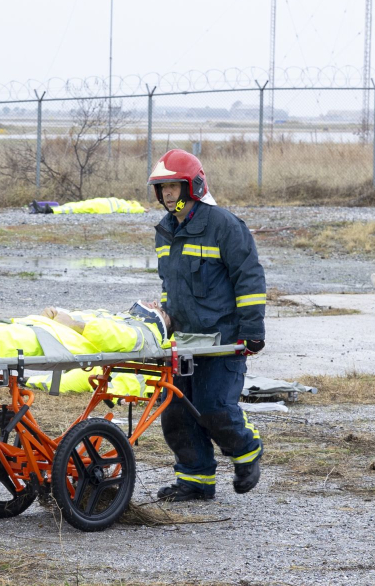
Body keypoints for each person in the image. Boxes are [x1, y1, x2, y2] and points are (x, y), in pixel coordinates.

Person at [150, 149, 267, 501]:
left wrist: (253, 330)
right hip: (184, 341)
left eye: (174, 186)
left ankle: (247, 451)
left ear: (194, 186)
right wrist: (164, 319)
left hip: (223, 340)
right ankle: (195, 482)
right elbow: (171, 286)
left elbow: (249, 279)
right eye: (163, 188)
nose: (168, 194)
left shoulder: (224, 226)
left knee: (214, 407)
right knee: (177, 413)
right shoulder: (165, 231)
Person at [0, 302, 171, 395]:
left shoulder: (145, 333)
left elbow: (113, 338)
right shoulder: (124, 318)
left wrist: (74, 325)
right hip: (46, 328)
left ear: (162, 320)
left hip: (54, 339)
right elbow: (83, 317)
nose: (154, 303)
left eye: (159, 307)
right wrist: (57, 313)